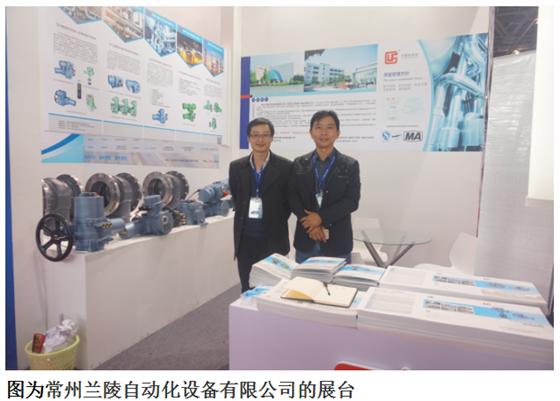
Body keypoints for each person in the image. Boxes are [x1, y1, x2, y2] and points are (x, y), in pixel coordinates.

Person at [288, 110, 361, 263]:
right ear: (311, 132)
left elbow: (351, 201)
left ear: (338, 133)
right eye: (319, 127)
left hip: (337, 243)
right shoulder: (299, 163)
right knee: (302, 279)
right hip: (306, 240)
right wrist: (311, 225)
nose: (323, 132)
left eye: (329, 127)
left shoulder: (350, 165)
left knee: (338, 280)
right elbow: (292, 197)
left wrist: (321, 218)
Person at [229, 118, 292, 292]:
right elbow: (237, 197)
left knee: (274, 290)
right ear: (249, 138)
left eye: (265, 135)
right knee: (247, 288)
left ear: (272, 138)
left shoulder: (286, 167)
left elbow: (288, 202)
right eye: (255, 135)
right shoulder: (236, 167)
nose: (260, 140)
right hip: (245, 240)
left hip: (274, 239)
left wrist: (275, 218)